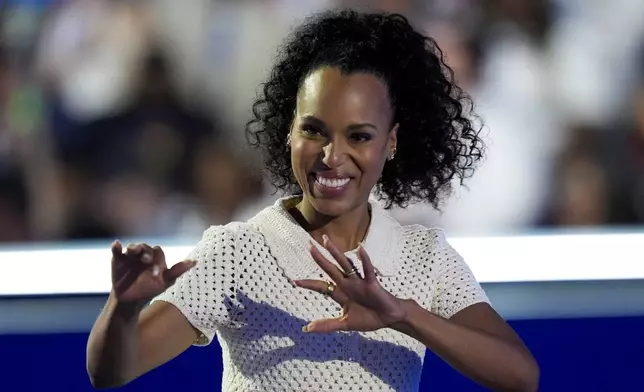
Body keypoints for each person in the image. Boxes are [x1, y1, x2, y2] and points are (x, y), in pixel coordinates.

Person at [86, 9, 539, 392]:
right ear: (289, 129)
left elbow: (521, 375)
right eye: (314, 130)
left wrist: (404, 316)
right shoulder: (236, 252)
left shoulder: (426, 259)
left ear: (392, 142)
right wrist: (123, 310)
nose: (332, 156)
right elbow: (112, 372)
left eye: (358, 136)